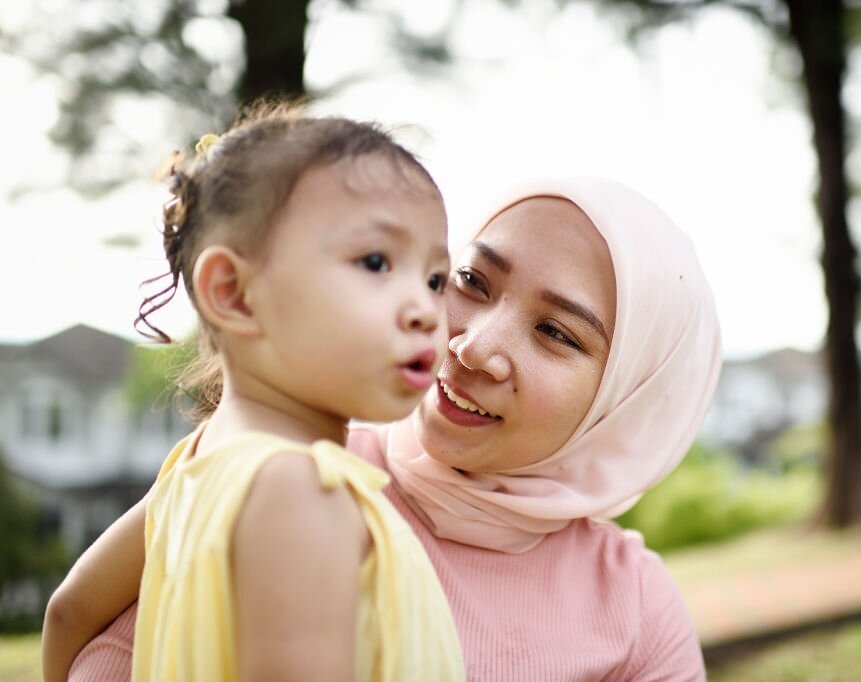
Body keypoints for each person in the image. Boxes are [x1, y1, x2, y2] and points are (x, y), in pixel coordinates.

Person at [47, 175, 721, 681]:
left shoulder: (633, 606)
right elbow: (102, 645)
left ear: (626, 396)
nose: (471, 344)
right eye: (473, 281)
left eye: (554, 332)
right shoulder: (283, 472)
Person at [40, 106, 465, 681]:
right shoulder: (300, 489)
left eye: (435, 278)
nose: (424, 310)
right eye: (375, 262)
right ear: (234, 294)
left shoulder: (189, 469)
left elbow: (69, 612)